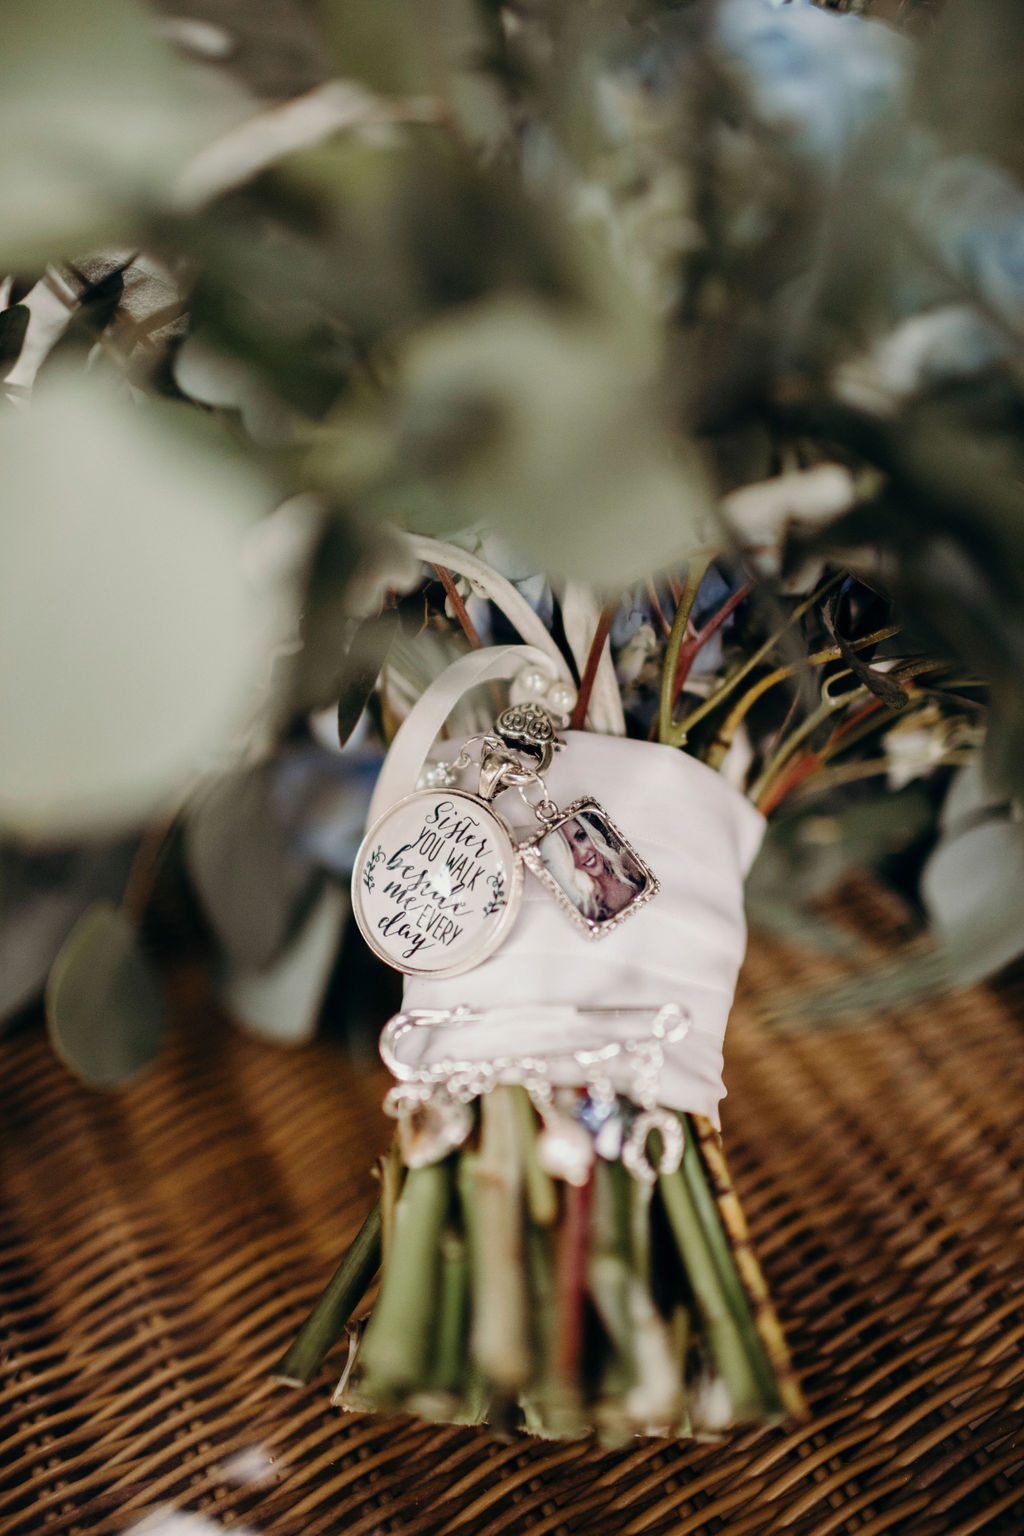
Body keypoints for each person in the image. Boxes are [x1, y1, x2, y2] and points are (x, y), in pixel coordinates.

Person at [541, 813, 644, 923]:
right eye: (570, 849)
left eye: (581, 836)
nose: (582, 853)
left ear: (590, 834)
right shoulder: (587, 908)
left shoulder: (631, 867)